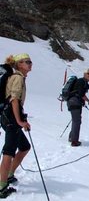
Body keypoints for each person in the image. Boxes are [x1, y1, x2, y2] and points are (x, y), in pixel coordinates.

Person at [0, 53, 33, 197]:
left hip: (10, 118)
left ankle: (8, 175)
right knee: (9, 151)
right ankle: (1, 186)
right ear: (19, 64)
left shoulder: (18, 77)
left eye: (30, 61)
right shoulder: (18, 78)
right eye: (27, 61)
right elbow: (14, 99)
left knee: (24, 147)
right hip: (11, 120)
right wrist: (20, 121)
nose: (30, 64)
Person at [67, 68, 89, 147]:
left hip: (74, 102)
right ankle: (74, 141)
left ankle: (72, 137)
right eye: (88, 74)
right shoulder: (81, 81)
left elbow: (80, 94)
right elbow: (81, 94)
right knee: (77, 121)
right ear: (84, 74)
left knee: (76, 120)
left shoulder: (83, 82)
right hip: (74, 102)